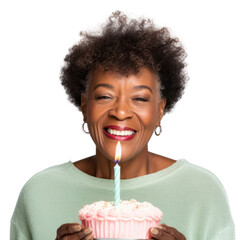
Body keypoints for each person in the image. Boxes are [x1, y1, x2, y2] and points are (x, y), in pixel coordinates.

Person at [10, 11, 235, 240]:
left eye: (139, 98)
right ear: (84, 106)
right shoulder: (40, 193)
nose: (120, 112)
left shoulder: (203, 192)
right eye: (104, 96)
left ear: (159, 111)